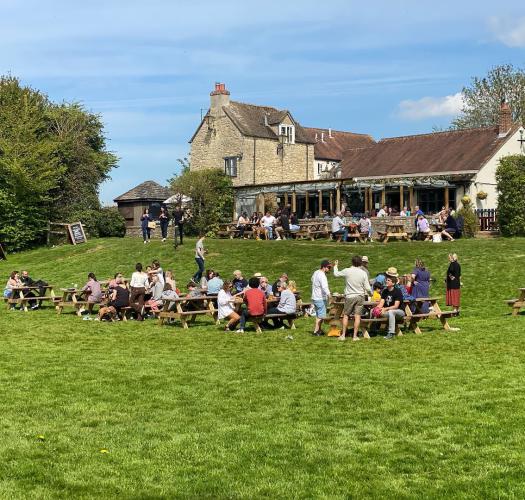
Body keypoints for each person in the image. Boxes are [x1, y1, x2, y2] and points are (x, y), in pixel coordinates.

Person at [333, 256, 372, 341]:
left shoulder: (347, 270)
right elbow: (368, 288)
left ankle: (343, 335)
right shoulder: (363, 273)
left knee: (346, 315)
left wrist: (335, 265)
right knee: (357, 316)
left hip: (350, 296)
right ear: (360, 263)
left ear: (352, 262)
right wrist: (371, 294)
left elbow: (336, 274)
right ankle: (355, 336)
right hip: (360, 296)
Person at [377, 271, 405, 340]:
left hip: (399, 312)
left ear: (393, 283)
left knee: (391, 312)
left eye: (388, 280)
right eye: (386, 280)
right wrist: (378, 308)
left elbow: (396, 306)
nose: (386, 281)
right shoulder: (384, 291)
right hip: (388, 311)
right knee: (373, 310)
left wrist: (385, 309)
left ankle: (391, 333)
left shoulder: (398, 291)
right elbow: (381, 303)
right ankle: (373, 330)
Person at [311, 260, 332, 336]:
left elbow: (312, 279)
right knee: (321, 316)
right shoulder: (322, 275)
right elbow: (324, 287)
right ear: (324, 267)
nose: (329, 269)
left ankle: (319, 330)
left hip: (315, 297)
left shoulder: (316, 272)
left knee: (318, 315)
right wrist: (329, 295)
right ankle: (316, 331)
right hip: (320, 298)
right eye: (328, 267)